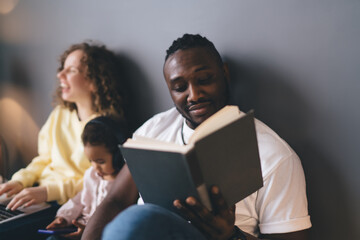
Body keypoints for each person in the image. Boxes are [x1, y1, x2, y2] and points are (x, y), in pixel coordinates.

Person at [85, 34, 312, 240]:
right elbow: (115, 200)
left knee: (137, 222)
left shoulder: (274, 155)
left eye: (204, 80)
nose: (194, 95)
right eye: (180, 87)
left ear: (224, 74)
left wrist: (230, 236)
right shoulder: (155, 129)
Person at [0, 42, 129, 238]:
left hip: (64, 205)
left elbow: (95, 182)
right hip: (38, 194)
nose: (60, 76)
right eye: (62, 69)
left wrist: (47, 192)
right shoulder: (61, 114)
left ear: (93, 81)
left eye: (71, 70)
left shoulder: (104, 131)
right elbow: (43, 159)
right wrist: (20, 181)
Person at [45, 116, 129, 240]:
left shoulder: (124, 184)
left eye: (100, 161)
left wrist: (89, 232)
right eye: (91, 161)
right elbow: (80, 200)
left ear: (118, 156)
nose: (95, 167)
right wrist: (63, 218)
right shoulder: (92, 175)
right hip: (79, 226)